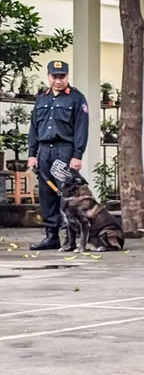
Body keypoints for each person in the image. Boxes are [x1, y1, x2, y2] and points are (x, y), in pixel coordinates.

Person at [27, 60, 89, 250]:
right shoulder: (41, 98)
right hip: (45, 150)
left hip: (65, 150)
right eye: (55, 77)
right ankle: (51, 236)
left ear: (67, 77)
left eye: (62, 77)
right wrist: (32, 153)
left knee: (66, 193)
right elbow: (34, 128)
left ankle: (70, 237)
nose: (58, 81)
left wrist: (77, 154)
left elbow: (81, 128)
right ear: (48, 77)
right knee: (46, 193)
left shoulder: (76, 98)